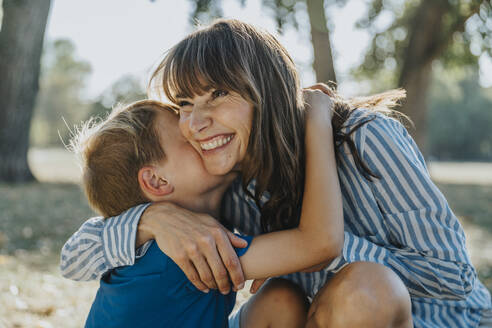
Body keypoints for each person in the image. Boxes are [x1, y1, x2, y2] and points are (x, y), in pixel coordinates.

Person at [61, 20, 491, 327]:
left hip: (433, 319)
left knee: (366, 287)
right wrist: (151, 220)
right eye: (185, 104)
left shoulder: (365, 138)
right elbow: (74, 259)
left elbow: (452, 277)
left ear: (266, 91)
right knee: (280, 299)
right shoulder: (221, 185)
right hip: (317, 316)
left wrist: (319, 256)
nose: (194, 123)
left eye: (219, 94)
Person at [68, 93, 340, 328]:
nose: (200, 133)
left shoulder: (152, 241)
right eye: (187, 140)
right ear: (157, 181)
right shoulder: (184, 250)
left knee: (280, 300)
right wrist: (316, 119)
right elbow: (319, 243)